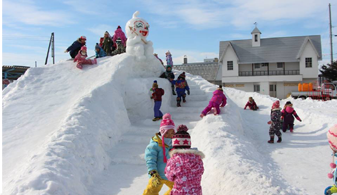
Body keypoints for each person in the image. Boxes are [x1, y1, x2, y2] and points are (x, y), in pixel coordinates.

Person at [165, 125, 205, 195]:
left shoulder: (173, 160)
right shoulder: (198, 159)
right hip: (195, 192)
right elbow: (201, 172)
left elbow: (169, 177)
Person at [143, 113, 175, 195]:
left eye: (173, 132)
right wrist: (153, 172)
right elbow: (150, 160)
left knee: (176, 190)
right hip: (157, 176)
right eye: (170, 133)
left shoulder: (173, 144)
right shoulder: (154, 145)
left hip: (170, 176)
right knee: (150, 192)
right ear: (164, 133)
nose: (172, 135)